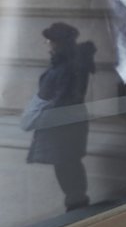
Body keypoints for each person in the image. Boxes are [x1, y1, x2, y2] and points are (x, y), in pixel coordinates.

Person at [22, 22, 96, 212]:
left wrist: (39, 118)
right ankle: (77, 206)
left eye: (50, 40)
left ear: (58, 43)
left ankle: (77, 210)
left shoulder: (66, 67)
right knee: (70, 167)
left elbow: (61, 100)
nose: (47, 44)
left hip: (62, 127)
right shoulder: (73, 63)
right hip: (67, 125)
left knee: (67, 169)